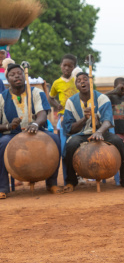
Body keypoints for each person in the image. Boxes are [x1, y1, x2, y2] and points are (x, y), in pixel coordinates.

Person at [62, 71, 124, 192]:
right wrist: (84, 119)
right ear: (76, 85)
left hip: (101, 132)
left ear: (91, 82)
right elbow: (69, 128)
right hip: (81, 134)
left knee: (118, 141)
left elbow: (108, 121)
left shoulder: (102, 98)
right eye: (79, 80)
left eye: (85, 79)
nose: (82, 81)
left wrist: (99, 132)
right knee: (70, 145)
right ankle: (71, 181)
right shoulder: (70, 102)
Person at [0, 64, 63, 199]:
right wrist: (8, 126)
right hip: (12, 135)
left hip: (36, 131)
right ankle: (3, 187)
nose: (17, 76)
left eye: (19, 73)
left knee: (55, 139)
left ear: (24, 76)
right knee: (2, 144)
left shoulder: (36, 92)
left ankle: (51, 183)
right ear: (8, 80)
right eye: (12, 74)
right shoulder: (1, 97)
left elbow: (42, 113)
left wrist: (35, 123)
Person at [48, 54, 79, 182]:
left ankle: (80, 174)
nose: (67, 68)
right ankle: (67, 178)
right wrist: (57, 106)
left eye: (70, 66)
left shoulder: (77, 80)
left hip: (78, 118)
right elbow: (51, 98)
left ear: (74, 67)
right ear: (61, 66)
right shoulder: (57, 83)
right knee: (64, 149)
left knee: (78, 146)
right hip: (63, 118)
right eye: (64, 65)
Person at [106, 77, 124, 162]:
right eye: (122, 87)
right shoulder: (109, 98)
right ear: (115, 87)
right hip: (114, 130)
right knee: (119, 151)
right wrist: (114, 91)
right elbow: (99, 98)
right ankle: (123, 167)